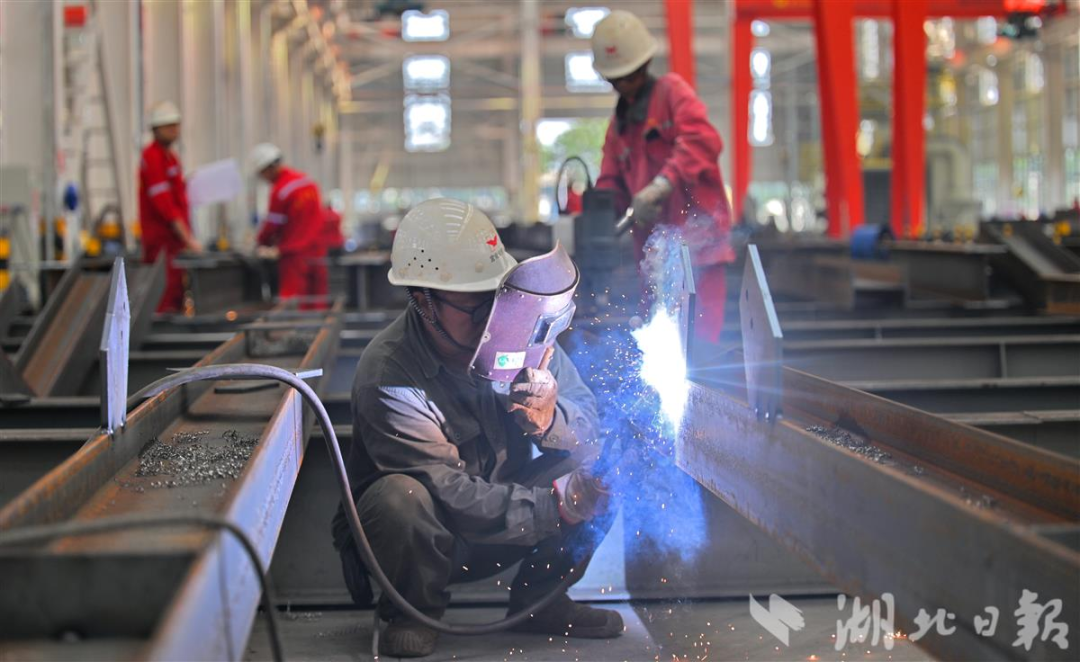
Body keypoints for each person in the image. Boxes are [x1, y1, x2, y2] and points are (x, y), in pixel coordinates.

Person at [330, 198, 619, 658]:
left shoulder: (520, 331)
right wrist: (555, 507)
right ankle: (413, 611)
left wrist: (550, 419)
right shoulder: (390, 374)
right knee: (399, 497)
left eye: (494, 299)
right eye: (474, 305)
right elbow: (442, 489)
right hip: (430, 540)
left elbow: (589, 426)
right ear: (423, 301)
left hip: (506, 522)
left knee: (605, 471)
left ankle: (541, 602)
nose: (490, 319)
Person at [592, 10, 734, 344]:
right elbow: (610, 182)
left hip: (698, 250)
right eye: (617, 80)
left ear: (644, 66)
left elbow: (702, 140)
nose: (624, 86)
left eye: (629, 76)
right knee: (659, 343)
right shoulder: (619, 127)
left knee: (698, 345)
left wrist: (661, 185)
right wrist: (593, 220)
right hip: (654, 258)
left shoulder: (671, 92)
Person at [139, 101, 202, 312]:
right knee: (164, 291)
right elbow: (165, 206)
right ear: (156, 129)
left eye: (175, 125)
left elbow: (177, 198)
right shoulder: (152, 157)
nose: (174, 130)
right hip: (160, 241)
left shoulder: (171, 158)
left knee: (177, 290)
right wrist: (189, 239)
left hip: (175, 242)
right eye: (168, 126)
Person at [249, 143, 328, 310]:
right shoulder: (307, 181)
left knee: (292, 302)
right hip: (318, 250)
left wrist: (259, 243)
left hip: (294, 253)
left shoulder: (281, 190)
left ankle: (297, 328)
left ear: (268, 168)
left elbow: (272, 225)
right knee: (317, 298)